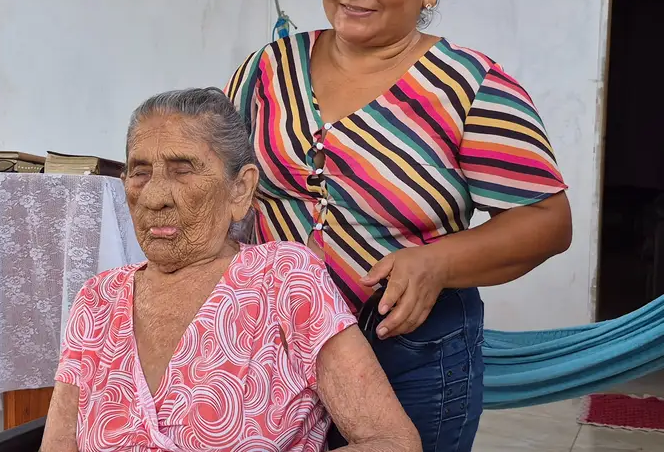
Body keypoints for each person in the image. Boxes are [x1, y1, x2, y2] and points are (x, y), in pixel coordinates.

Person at [225, 0, 572, 451]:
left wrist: (434, 263)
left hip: (408, 353)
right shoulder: (267, 68)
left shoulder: (469, 86)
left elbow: (547, 221)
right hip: (276, 346)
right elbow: (225, 181)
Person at [40, 88, 422, 452]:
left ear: (239, 189)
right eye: (140, 172)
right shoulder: (98, 298)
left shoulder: (284, 279)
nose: (154, 198)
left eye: (182, 170)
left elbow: (391, 441)